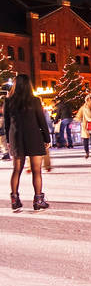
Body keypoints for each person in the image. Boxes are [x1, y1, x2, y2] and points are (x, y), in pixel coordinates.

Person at [3, 74, 51, 211]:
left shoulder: (8, 101)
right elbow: (42, 121)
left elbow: (7, 124)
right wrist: (47, 138)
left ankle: (14, 199)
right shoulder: (35, 100)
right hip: (34, 137)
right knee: (36, 170)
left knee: (16, 169)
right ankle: (38, 200)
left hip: (16, 137)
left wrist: (9, 140)